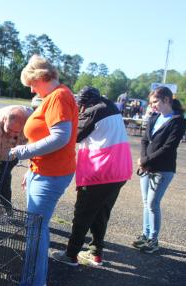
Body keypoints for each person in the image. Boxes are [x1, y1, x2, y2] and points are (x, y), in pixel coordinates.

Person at [4, 55, 78, 286]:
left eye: (32, 84)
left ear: (41, 78)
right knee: (40, 229)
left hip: (51, 174)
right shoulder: (56, 96)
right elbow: (52, 138)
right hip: (44, 170)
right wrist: (32, 167)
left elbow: (60, 137)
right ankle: (35, 279)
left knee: (35, 232)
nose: (31, 89)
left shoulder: (58, 97)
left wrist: (23, 152)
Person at [52, 87, 132, 266]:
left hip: (100, 172)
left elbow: (72, 136)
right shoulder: (111, 106)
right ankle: (96, 253)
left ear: (84, 103)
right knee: (101, 213)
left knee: (83, 214)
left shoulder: (92, 111)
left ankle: (71, 254)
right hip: (120, 170)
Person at [132, 87, 186, 253]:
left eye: (155, 102)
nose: (152, 106)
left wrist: (145, 160)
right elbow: (144, 141)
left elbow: (168, 147)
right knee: (145, 203)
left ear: (167, 100)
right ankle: (145, 235)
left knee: (152, 204)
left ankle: (153, 241)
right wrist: (143, 160)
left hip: (163, 169)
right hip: (147, 167)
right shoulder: (154, 118)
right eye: (151, 103)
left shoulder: (177, 121)